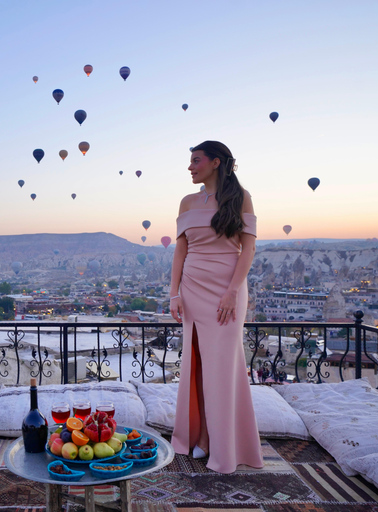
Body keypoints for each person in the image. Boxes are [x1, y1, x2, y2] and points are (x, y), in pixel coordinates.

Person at [169, 140, 264, 474]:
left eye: (196, 160)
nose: (190, 167)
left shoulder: (240, 197)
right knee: (196, 364)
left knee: (221, 370)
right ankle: (199, 435)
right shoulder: (187, 202)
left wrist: (231, 291)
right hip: (193, 289)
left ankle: (218, 444)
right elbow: (180, 251)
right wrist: (174, 294)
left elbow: (248, 250)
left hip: (227, 290)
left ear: (216, 162)